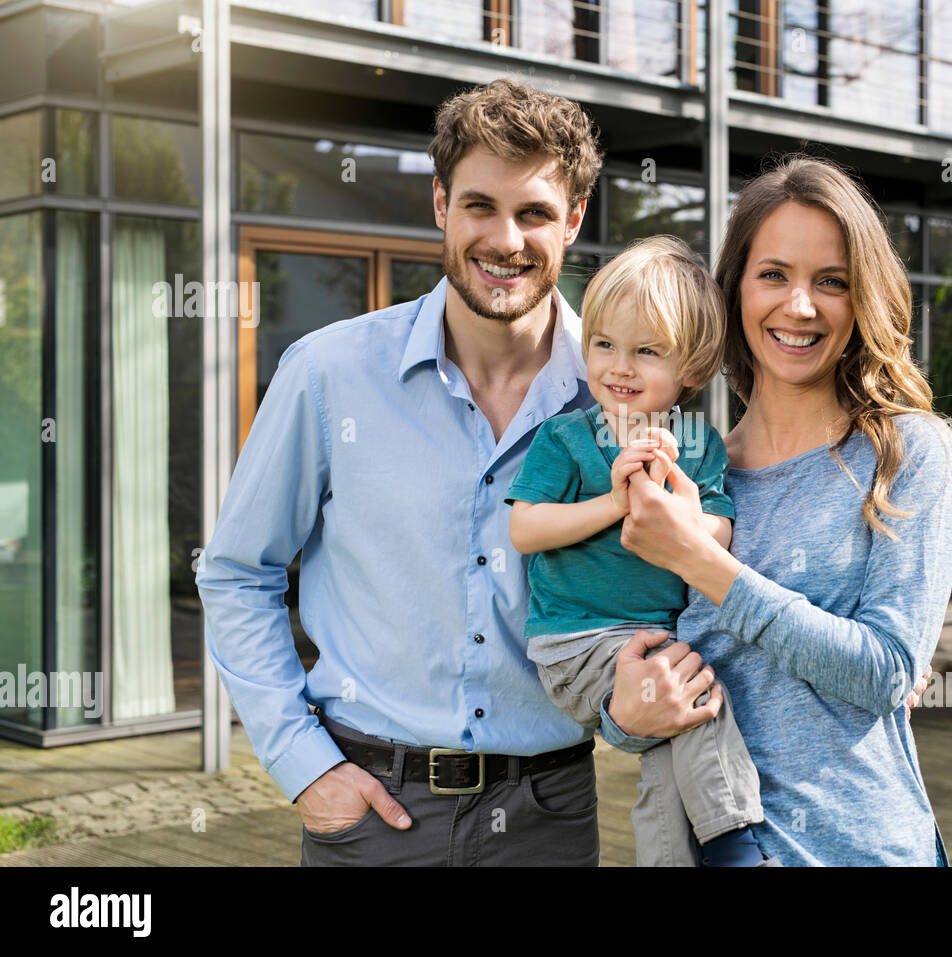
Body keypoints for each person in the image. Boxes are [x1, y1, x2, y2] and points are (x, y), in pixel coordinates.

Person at [195, 78, 724, 866]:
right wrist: (307, 770)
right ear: (440, 203)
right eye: (480, 205)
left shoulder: (632, 396)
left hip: (551, 815)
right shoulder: (327, 374)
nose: (505, 239)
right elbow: (238, 572)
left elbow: (700, 583)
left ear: (574, 220)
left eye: (536, 213)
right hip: (371, 815)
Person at [609, 154, 952, 866]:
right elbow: (636, 669)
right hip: (708, 847)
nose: (799, 306)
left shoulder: (906, 453)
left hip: (861, 847)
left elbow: (888, 672)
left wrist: (704, 563)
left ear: (861, 297)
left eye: (830, 282)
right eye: (773, 274)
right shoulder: (682, 471)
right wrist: (622, 715)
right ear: (734, 287)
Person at [506, 235, 772, 867]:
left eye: (646, 351)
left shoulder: (698, 443)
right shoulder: (565, 439)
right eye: (604, 345)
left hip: (648, 637)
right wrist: (617, 503)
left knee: (669, 748)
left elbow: (719, 532)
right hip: (576, 642)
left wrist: (679, 517)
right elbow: (526, 529)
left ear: (693, 368)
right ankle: (738, 844)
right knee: (702, 701)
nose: (619, 367)